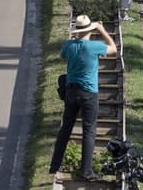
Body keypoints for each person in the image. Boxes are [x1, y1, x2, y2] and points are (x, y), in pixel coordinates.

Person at [49, 15, 118, 180]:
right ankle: (86, 171)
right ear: (90, 30)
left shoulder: (69, 46)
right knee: (89, 131)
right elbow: (113, 48)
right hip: (89, 93)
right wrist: (101, 30)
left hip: (71, 92)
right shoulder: (94, 47)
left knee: (65, 128)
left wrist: (74, 39)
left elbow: (62, 56)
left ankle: (54, 165)